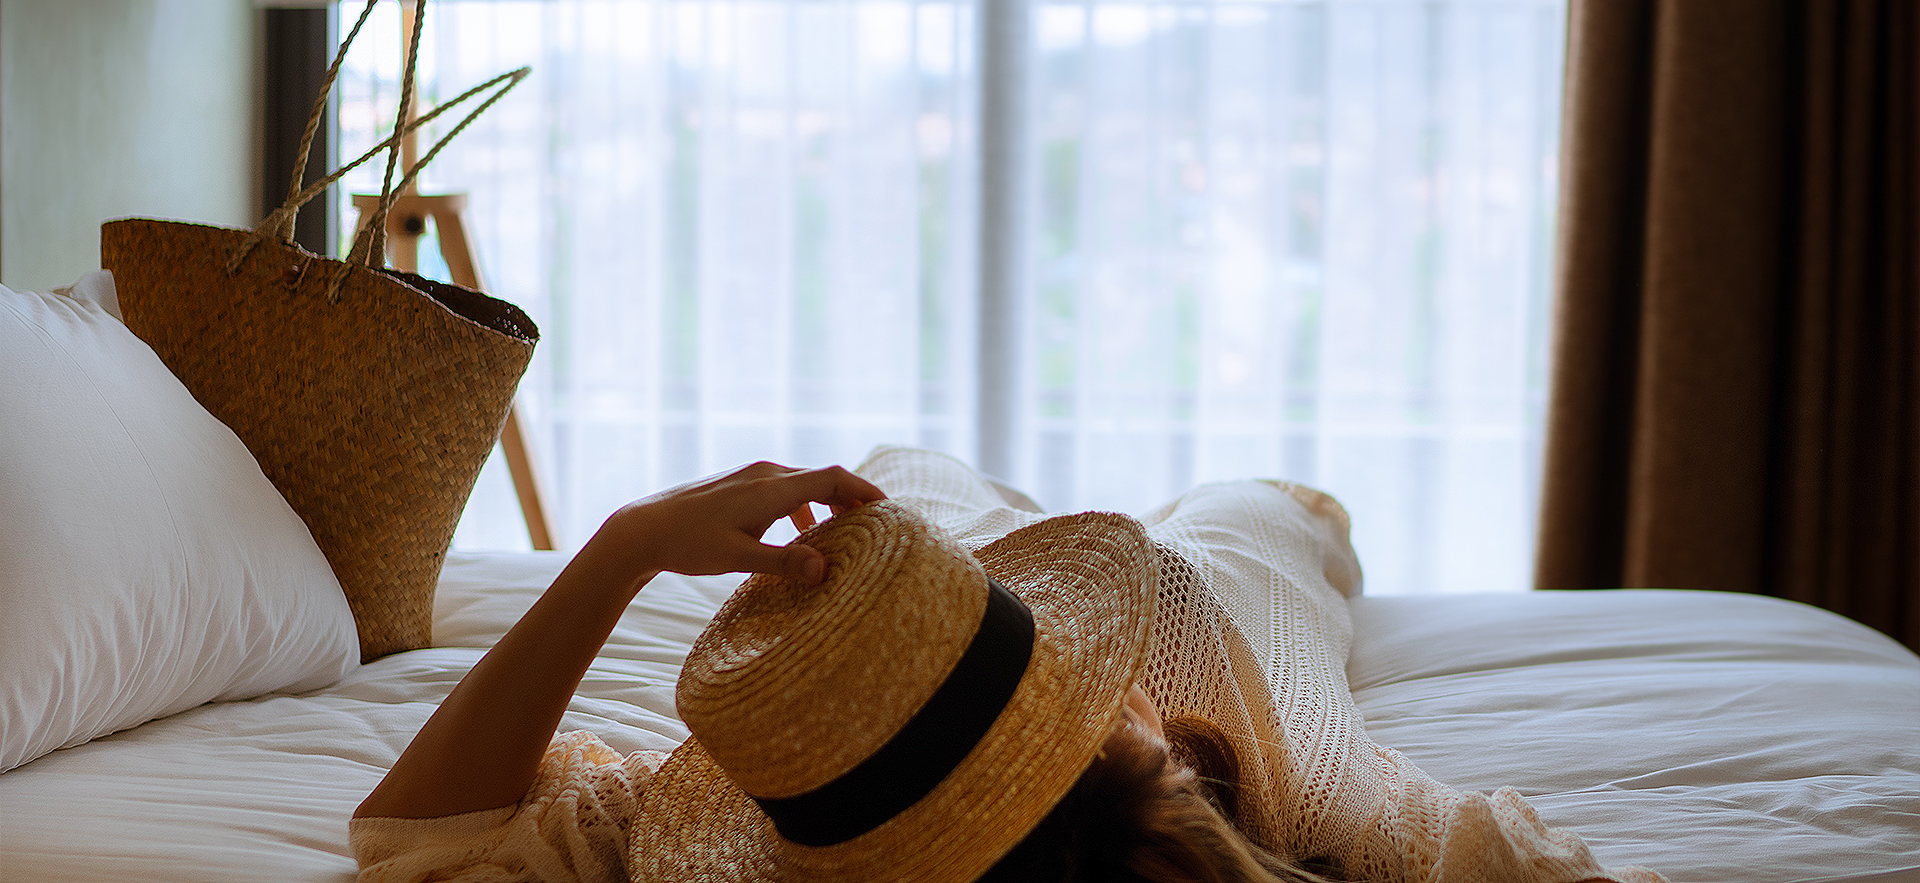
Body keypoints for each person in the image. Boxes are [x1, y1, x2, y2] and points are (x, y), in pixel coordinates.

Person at [352, 450, 1661, 883]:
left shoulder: (820, 811)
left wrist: (627, 546)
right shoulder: (1313, 783)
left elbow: (414, 839)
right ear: (1134, 741)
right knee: (1269, 520)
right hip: (1206, 627)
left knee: (907, 475)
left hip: (947, 620)